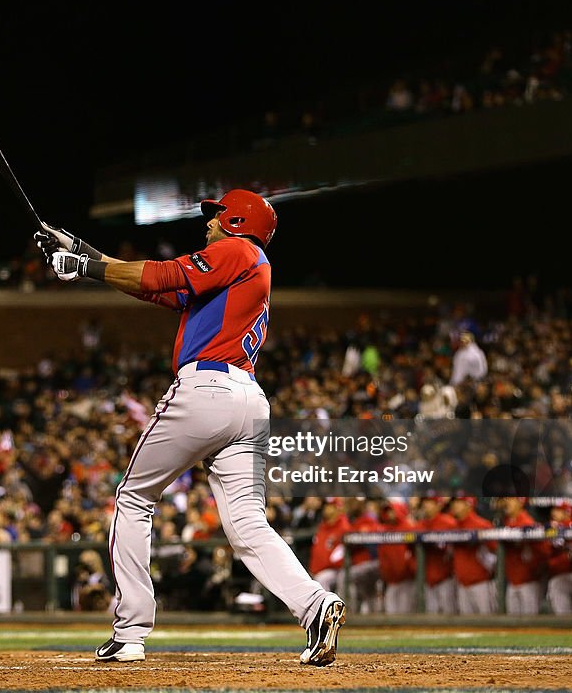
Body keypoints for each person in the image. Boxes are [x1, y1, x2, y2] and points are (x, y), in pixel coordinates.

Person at [36, 189, 345, 666]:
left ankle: (130, 630)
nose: (209, 222)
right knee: (246, 523)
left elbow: (163, 274)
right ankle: (314, 604)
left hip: (207, 390)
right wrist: (84, 251)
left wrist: (83, 269)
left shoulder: (238, 249)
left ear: (238, 220)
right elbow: (158, 289)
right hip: (248, 400)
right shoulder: (246, 264)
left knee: (134, 498)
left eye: (217, 215)